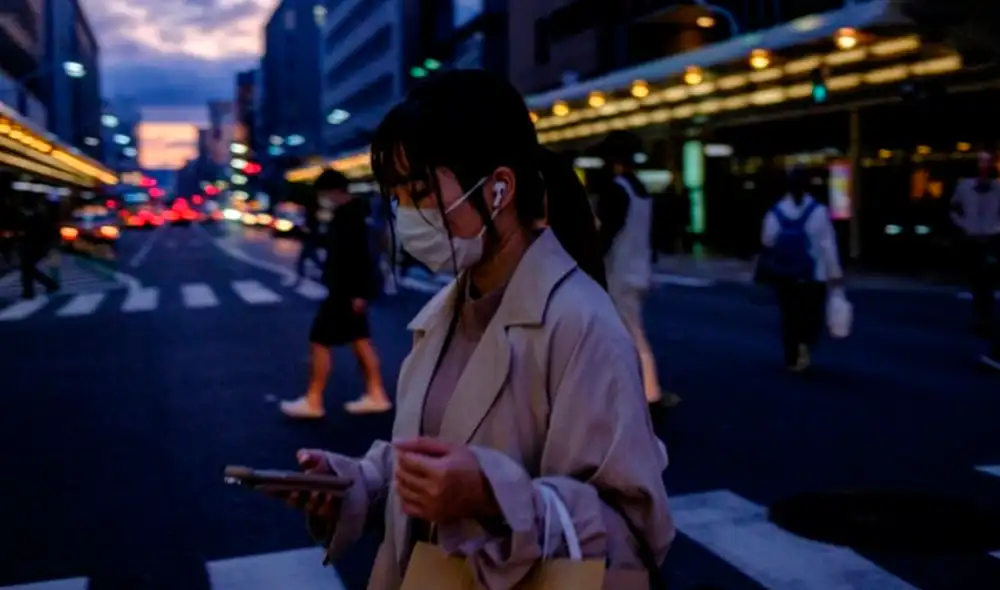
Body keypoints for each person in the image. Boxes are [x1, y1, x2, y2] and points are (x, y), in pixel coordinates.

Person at [269, 70, 674, 588]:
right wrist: (357, 484)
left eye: (420, 192)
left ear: (500, 188)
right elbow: (437, 453)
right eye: (397, 197)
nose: (408, 215)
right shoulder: (448, 308)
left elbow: (634, 535)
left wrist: (489, 495)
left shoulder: (581, 323)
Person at [280, 169, 391, 418]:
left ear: (333, 191)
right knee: (360, 341)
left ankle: (314, 399)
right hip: (350, 290)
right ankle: (376, 393)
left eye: (323, 193)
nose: (322, 198)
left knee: (320, 341)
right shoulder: (354, 214)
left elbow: (357, 256)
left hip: (345, 290)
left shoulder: (348, 216)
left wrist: (358, 292)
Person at [593, 130, 679, 409]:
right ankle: (629, 390)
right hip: (639, 269)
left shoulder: (616, 191)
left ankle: (649, 393)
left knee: (630, 334)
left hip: (618, 271)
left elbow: (606, 234)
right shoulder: (642, 190)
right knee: (623, 331)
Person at [760, 167, 843, 371]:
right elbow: (828, 245)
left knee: (789, 316)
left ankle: (792, 354)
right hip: (814, 276)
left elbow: (767, 240)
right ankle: (805, 347)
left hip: (785, 275)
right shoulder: (819, 211)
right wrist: (835, 274)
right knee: (811, 316)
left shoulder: (776, 212)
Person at [950, 150, 1000, 333]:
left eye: (987, 162)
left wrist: (996, 227)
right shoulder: (965, 187)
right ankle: (979, 315)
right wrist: (964, 225)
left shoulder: (997, 188)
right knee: (977, 279)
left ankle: (985, 317)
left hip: (991, 238)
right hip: (972, 238)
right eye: (981, 162)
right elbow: (954, 208)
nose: (984, 166)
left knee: (988, 278)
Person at [14, 194, 59, 300]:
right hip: (36, 247)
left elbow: (30, 233)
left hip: (33, 247)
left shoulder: (34, 219)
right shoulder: (39, 217)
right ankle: (31, 290)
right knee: (28, 269)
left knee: (27, 269)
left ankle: (33, 290)